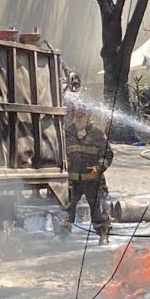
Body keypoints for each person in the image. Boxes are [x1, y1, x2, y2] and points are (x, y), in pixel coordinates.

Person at [62, 102, 115, 245]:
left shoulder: (97, 134)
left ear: (88, 117)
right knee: (66, 208)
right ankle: (62, 236)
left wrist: (98, 169)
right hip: (72, 180)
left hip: (93, 180)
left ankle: (103, 235)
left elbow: (108, 154)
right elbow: (59, 153)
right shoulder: (67, 133)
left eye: (82, 115)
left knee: (99, 209)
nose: (78, 118)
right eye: (76, 115)